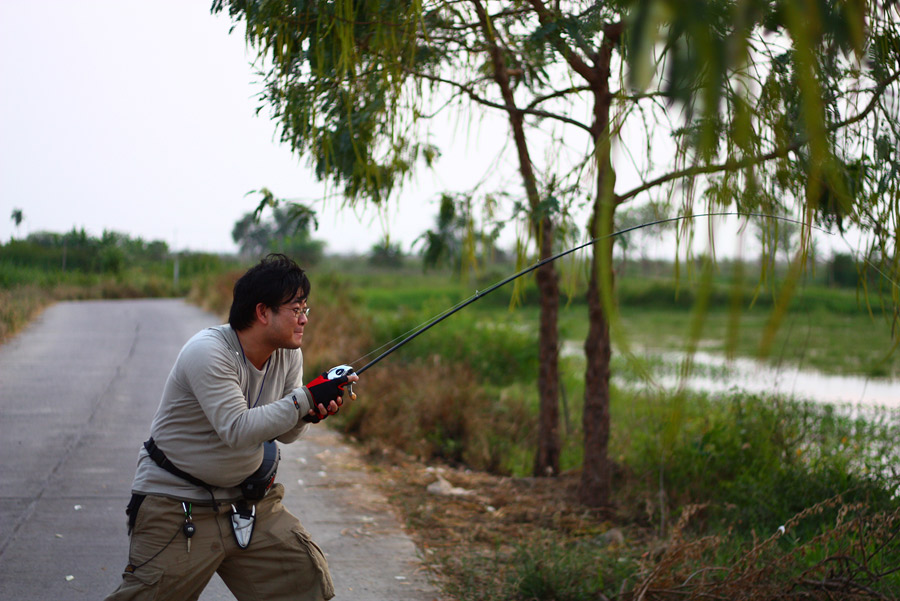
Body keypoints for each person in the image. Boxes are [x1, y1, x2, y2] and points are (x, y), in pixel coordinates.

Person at [105, 253, 358, 601]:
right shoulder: (208, 352)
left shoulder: (287, 352)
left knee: (306, 581)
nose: (304, 320)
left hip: (249, 501)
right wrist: (306, 400)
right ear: (262, 312)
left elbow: (285, 431)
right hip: (179, 505)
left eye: (306, 310)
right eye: (296, 310)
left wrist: (311, 412)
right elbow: (238, 430)